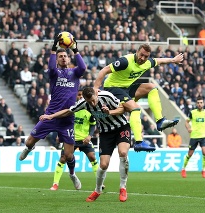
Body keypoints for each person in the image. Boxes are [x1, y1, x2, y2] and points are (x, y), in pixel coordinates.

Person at [19, 34, 86, 190]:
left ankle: (72, 174)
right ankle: (29, 149)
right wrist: (54, 50)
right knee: (28, 142)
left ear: (69, 59)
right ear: (58, 59)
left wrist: (75, 50)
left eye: (65, 56)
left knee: (68, 155)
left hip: (67, 118)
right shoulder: (54, 73)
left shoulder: (74, 73)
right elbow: (50, 66)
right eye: (61, 56)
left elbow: (83, 68)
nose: (63, 58)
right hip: (50, 115)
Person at [40, 87, 131, 202]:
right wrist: (51, 116)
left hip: (121, 127)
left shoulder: (107, 96)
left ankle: (123, 187)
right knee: (103, 165)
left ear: (96, 94)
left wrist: (110, 112)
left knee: (122, 152)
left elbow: (123, 108)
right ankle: (97, 190)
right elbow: (68, 111)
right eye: (89, 102)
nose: (92, 104)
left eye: (93, 100)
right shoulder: (83, 103)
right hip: (105, 132)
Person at [93, 43, 183, 152]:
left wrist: (173, 60)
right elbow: (104, 70)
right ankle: (139, 142)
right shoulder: (125, 61)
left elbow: (159, 61)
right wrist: (95, 88)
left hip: (127, 88)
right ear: (137, 52)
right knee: (135, 108)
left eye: (146, 56)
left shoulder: (147, 63)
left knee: (152, 87)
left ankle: (160, 121)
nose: (143, 58)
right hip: (112, 88)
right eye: (141, 55)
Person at [50, 89, 99, 191]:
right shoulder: (72, 109)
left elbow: (92, 125)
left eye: (82, 95)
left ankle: (100, 183)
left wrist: (90, 136)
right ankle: (55, 184)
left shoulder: (89, 109)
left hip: (84, 139)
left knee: (92, 157)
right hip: (70, 138)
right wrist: (60, 134)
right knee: (63, 158)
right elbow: (63, 123)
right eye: (79, 95)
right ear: (76, 96)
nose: (80, 97)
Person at [181, 96, 205, 178]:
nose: (199, 104)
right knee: (190, 154)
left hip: (203, 136)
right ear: (196, 103)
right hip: (194, 136)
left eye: (201, 102)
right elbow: (186, 122)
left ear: (203, 103)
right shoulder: (192, 112)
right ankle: (183, 169)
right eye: (198, 103)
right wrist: (188, 128)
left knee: (204, 152)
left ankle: (204, 170)